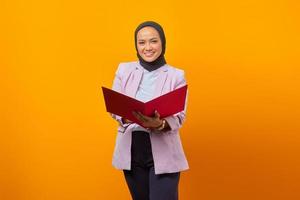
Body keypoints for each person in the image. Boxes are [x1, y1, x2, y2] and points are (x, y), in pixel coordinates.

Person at [110, 21, 189, 200]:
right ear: (136, 45)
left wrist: (160, 124)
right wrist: (127, 117)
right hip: (132, 150)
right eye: (142, 42)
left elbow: (179, 116)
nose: (148, 47)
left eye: (153, 41)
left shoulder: (176, 75)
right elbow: (115, 107)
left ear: (163, 43)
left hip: (164, 152)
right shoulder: (124, 70)